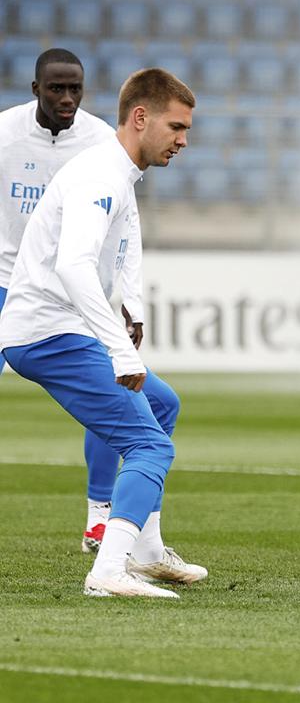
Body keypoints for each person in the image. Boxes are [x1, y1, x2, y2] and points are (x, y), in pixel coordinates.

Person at [0, 68, 206, 598]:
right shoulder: (99, 175)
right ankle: (109, 571)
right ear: (141, 118)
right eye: (177, 127)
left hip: (58, 328)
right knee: (149, 446)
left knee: (163, 406)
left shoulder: (119, 172)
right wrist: (119, 348)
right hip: (47, 333)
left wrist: (131, 305)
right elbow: (74, 265)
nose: (184, 140)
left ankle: (148, 553)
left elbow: (125, 240)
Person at [0, 48, 133, 552]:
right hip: (4, 281)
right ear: (35, 89)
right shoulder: (5, 134)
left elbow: (123, 222)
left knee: (112, 395)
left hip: (67, 295)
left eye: (75, 88)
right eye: (56, 88)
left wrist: (118, 294)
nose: (67, 98)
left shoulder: (100, 140)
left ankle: (99, 518)